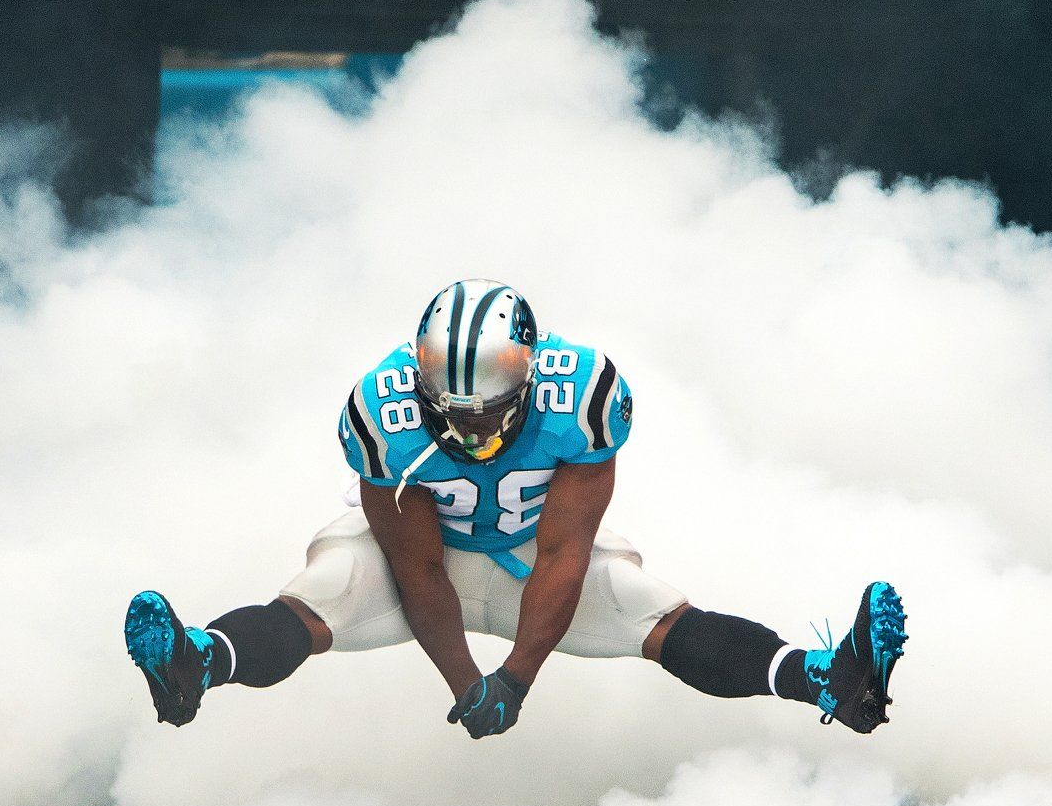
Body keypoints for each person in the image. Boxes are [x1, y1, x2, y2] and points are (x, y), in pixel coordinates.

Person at [125, 279, 906, 740]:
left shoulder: (584, 395)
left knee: (649, 613)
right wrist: (469, 683)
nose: (466, 422)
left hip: (538, 555)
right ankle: (196, 663)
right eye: (448, 405)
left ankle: (831, 682)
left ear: (531, 376)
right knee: (326, 590)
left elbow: (567, 553)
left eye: (485, 403)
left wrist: (517, 681)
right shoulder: (380, 411)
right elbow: (418, 566)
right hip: (421, 561)